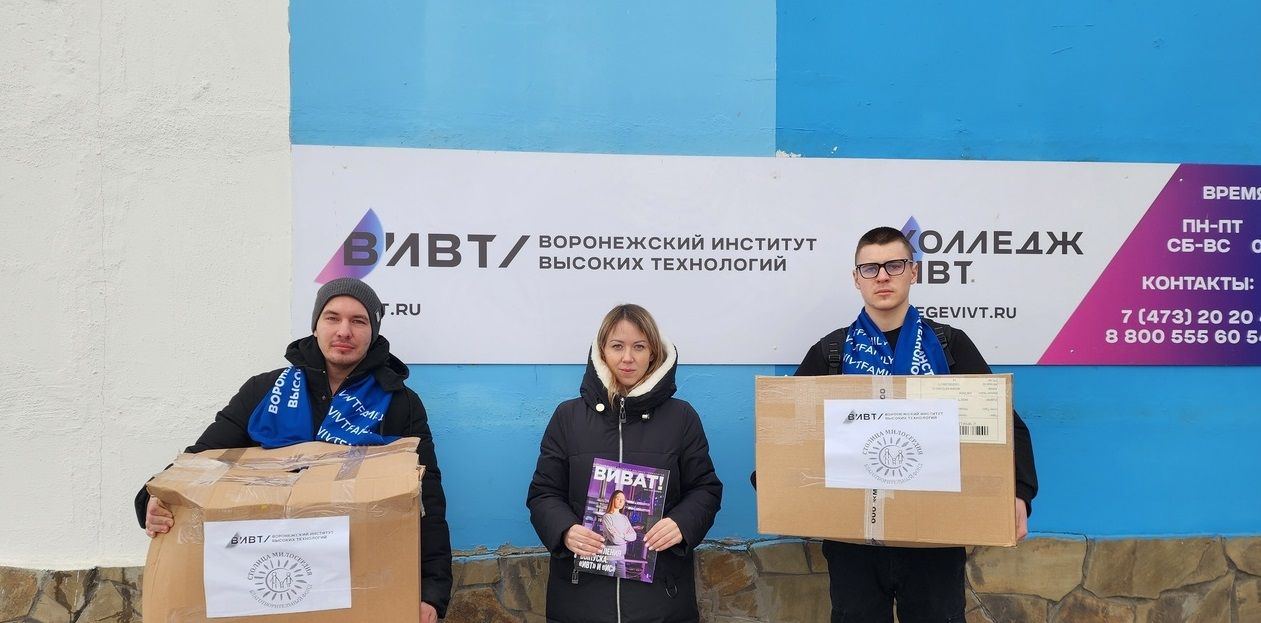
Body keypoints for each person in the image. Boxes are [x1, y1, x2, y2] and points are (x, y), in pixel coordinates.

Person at [135, 278, 453, 622]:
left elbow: (426, 499)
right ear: (315, 325)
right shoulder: (264, 391)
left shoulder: (400, 403)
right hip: (264, 575)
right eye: (332, 317)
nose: (344, 331)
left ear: (373, 333)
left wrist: (431, 592)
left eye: (358, 321)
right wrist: (151, 498)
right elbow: (203, 460)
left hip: (360, 574)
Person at [794, 226, 1039, 623]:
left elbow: (1004, 424)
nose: (882, 276)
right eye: (870, 268)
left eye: (894, 265)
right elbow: (789, 434)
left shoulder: (949, 346)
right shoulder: (832, 353)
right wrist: (781, 489)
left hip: (936, 534)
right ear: (856, 279)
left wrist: (1020, 493)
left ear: (914, 272)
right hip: (854, 537)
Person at [527, 303, 723, 623]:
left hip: (661, 598)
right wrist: (565, 531)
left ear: (653, 353)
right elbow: (543, 493)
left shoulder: (682, 417)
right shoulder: (567, 417)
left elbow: (706, 489)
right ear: (601, 352)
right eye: (617, 346)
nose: (628, 357)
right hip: (580, 598)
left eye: (639, 347)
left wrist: (681, 524)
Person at [600, 489, 637, 576]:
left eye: (623, 500)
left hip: (621, 557)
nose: (621, 501)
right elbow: (614, 539)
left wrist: (621, 535)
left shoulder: (624, 518)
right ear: (613, 499)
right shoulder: (607, 517)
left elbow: (634, 536)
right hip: (609, 558)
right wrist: (626, 538)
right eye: (618, 499)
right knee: (606, 582)